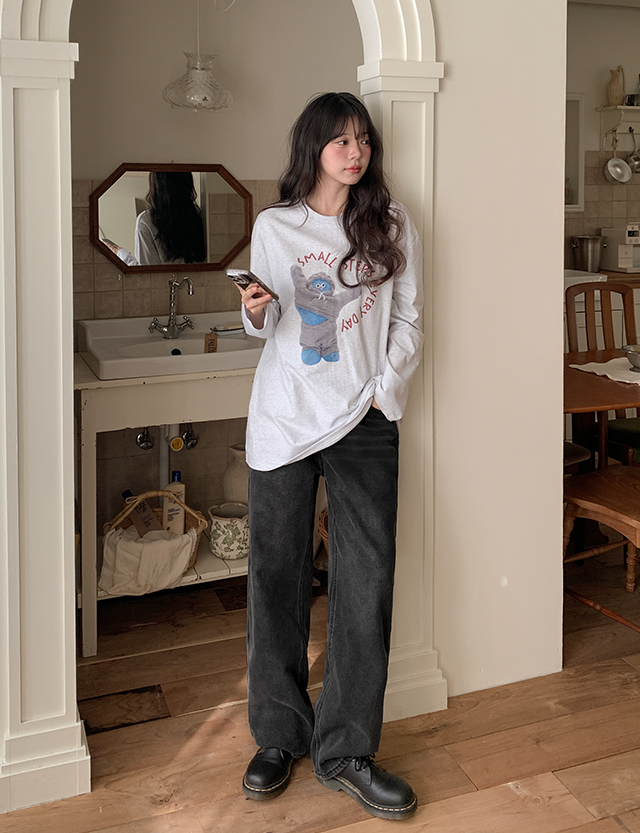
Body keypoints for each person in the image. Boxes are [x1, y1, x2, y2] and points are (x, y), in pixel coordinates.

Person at [236, 91, 424, 821]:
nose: (355, 153)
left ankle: (346, 751)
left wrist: (383, 390)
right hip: (285, 417)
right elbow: (268, 321)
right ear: (313, 147)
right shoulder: (275, 226)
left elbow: (407, 316)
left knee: (365, 582)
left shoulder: (390, 222)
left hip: (363, 421)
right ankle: (279, 735)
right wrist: (254, 310)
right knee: (276, 576)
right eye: (341, 141)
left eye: (363, 140)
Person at [104, 171, 206, 266]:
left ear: (156, 185)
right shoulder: (199, 216)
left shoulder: (146, 221)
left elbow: (147, 271)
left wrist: (121, 254)